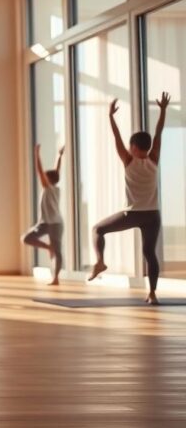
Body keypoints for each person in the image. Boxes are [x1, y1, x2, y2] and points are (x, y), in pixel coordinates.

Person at [88, 93, 170, 305]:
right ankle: (152, 294)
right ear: (148, 147)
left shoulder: (128, 160)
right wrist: (162, 111)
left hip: (132, 213)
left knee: (98, 229)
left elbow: (116, 138)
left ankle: (100, 262)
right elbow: (159, 133)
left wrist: (110, 116)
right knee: (149, 253)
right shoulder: (153, 159)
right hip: (153, 215)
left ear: (133, 147)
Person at [22, 144, 65, 285]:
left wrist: (36, 154)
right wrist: (59, 156)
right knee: (26, 238)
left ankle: (56, 278)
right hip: (44, 223)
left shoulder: (50, 188)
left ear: (49, 180)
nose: (42, 179)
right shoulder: (52, 187)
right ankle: (48, 247)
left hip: (55, 224)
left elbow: (40, 171)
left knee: (58, 252)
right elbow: (57, 170)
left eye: (45, 178)